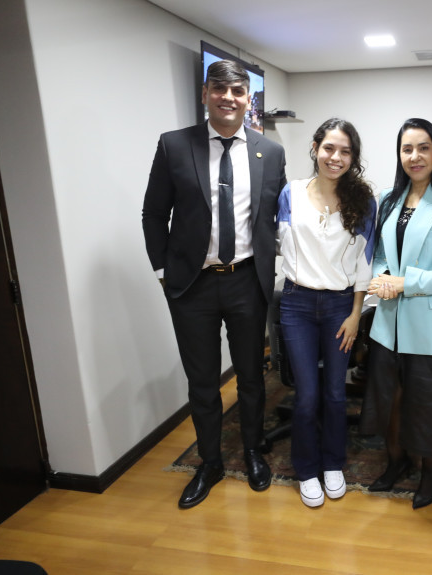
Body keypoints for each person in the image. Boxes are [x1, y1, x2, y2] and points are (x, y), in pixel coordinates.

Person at [142, 59, 287, 508]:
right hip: (192, 286)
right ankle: (209, 462)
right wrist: (165, 272)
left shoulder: (271, 152)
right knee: (202, 381)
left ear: (249, 100)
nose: (228, 97)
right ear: (205, 93)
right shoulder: (173, 146)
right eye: (219, 89)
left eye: (238, 91)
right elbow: (153, 213)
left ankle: (251, 451)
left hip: (248, 281)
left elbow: (275, 220)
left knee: (251, 378)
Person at [361, 118, 432, 510]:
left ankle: (429, 471)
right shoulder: (389, 199)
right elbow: (377, 257)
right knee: (391, 401)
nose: (415, 156)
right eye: (407, 149)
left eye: (423, 147)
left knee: (430, 405)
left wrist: (405, 282)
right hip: (389, 323)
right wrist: (381, 279)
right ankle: (397, 462)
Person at [275, 118, 376, 508]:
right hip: (297, 303)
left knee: (335, 393)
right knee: (306, 395)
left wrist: (355, 314)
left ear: (353, 157)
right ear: (316, 147)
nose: (336, 157)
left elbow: (364, 263)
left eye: (345, 151)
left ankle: (333, 464)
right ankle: (306, 469)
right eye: (330, 148)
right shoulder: (291, 193)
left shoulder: (363, 200)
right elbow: (282, 244)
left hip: (339, 306)